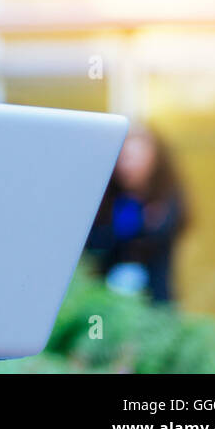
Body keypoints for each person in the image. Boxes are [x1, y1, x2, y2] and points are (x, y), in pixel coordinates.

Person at [84, 125, 191, 304]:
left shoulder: (168, 196)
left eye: (135, 158)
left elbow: (163, 231)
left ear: (153, 159)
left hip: (156, 298)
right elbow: (94, 244)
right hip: (109, 301)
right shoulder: (107, 198)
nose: (128, 166)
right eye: (124, 159)